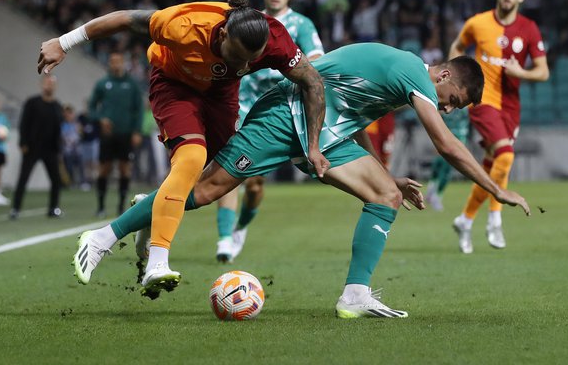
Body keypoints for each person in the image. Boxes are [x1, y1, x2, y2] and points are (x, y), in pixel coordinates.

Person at [72, 43, 530, 318]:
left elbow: (348, 118)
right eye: (454, 100)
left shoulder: (400, 75)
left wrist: (386, 173)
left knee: (387, 195)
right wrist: (496, 188)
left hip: (324, 134)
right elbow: (447, 145)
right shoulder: (415, 74)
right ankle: (104, 235)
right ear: (445, 74)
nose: (448, 108)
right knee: (206, 190)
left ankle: (355, 295)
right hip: (286, 117)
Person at [39, 0, 328, 294]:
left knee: (213, 182)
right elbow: (126, 18)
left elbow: (313, 83)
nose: (242, 66)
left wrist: (314, 146)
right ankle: (146, 257)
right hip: (174, 85)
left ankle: (146, 211)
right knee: (191, 158)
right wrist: (64, 42)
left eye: (248, 61)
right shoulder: (184, 25)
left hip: (220, 94)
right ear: (224, 33)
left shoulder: (274, 39)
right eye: (237, 56)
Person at [214, 0, 325, 263]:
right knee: (227, 166)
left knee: (254, 184)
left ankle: (240, 227)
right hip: (243, 102)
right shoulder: (250, 22)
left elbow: (317, 60)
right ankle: (224, 237)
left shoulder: (301, 24)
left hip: (275, 106)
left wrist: (291, 66)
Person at [449, 0, 549, 254]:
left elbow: (543, 71)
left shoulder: (529, 28)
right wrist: (457, 80)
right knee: (505, 155)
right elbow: (457, 47)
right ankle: (495, 218)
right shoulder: (478, 23)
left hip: (511, 106)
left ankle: (465, 220)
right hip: (482, 101)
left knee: (495, 167)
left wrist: (522, 73)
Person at [88, 51, 144, 216]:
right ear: (109, 63)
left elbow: (139, 110)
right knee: (104, 169)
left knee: (124, 169)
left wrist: (137, 131)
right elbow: (91, 107)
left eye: (118, 61)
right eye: (112, 61)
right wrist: (100, 119)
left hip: (126, 134)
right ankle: (101, 206)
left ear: (123, 62)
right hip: (107, 135)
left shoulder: (132, 84)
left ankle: (121, 206)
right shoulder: (102, 83)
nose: (115, 64)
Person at [9, 75, 64, 220]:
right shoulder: (32, 103)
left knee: (56, 180)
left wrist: (59, 148)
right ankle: (15, 208)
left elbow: (58, 129)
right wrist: (23, 143)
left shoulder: (57, 106)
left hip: (51, 150)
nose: (49, 86)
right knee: (23, 179)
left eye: (52, 83)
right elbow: (24, 123)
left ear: (55, 86)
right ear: (41, 85)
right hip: (32, 148)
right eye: (47, 83)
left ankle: (53, 208)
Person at [425, 108, 470, 211]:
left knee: (446, 169)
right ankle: (431, 193)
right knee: (437, 164)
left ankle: (437, 197)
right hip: (444, 137)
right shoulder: (449, 102)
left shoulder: (465, 106)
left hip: (457, 139)